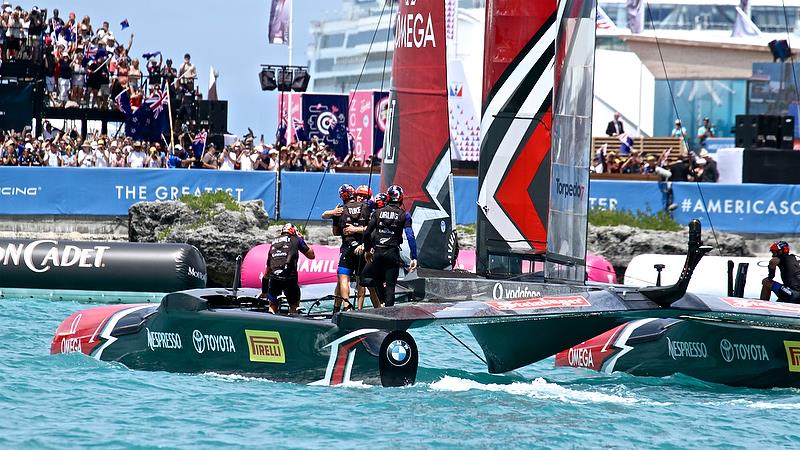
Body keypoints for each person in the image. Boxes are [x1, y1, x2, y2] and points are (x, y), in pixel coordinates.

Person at [360, 185, 418, 307]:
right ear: (401, 198)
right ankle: (389, 314)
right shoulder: (405, 215)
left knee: (368, 278)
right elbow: (410, 236)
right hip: (392, 253)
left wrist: (367, 250)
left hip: (378, 252)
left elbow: (366, 233)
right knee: (391, 286)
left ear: (388, 197)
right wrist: (414, 257)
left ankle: (380, 303)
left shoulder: (377, 212)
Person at [335, 184, 377, 313]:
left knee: (363, 282)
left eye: (365, 196)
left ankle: (359, 309)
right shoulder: (344, 209)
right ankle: (339, 308)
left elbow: (374, 230)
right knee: (342, 279)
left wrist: (355, 230)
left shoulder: (369, 209)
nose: (361, 198)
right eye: (360, 195)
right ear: (355, 195)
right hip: (350, 247)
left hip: (362, 248)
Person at [260, 223, 315, 314]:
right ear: (294, 231)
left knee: (272, 305)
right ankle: (292, 323)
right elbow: (311, 255)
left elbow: (267, 271)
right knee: (294, 306)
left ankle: (270, 324)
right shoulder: (296, 239)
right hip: (290, 277)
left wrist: (264, 291)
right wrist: (302, 240)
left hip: (274, 278)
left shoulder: (274, 242)